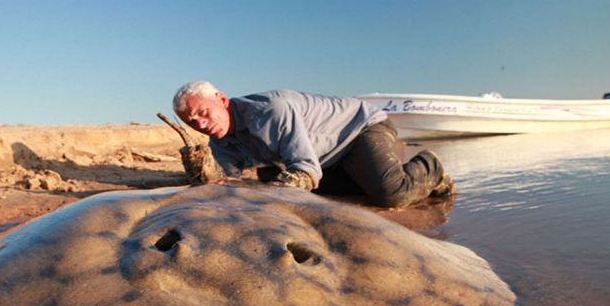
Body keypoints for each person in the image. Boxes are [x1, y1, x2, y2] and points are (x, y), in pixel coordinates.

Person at [171, 81, 453, 207]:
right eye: (191, 121)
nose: (200, 124)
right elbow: (229, 183)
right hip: (325, 154)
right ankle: (374, 174)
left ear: (221, 99)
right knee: (268, 176)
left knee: (391, 194)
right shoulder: (219, 140)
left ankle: (430, 166)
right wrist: (203, 175)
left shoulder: (270, 111)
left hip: (360, 129)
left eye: (204, 113)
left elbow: (305, 171)